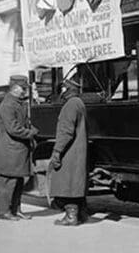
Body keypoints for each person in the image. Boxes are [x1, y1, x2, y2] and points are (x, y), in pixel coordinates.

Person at [0, 75, 39, 221]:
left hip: (16, 149)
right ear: (15, 88)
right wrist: (30, 133)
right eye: (23, 89)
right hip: (10, 150)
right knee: (9, 182)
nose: (25, 92)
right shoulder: (8, 105)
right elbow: (13, 129)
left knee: (17, 182)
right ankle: (4, 211)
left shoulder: (17, 103)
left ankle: (15, 210)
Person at [49, 76, 88, 226]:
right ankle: (81, 214)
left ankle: (71, 217)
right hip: (77, 151)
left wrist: (57, 151)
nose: (60, 91)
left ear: (66, 90)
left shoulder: (70, 105)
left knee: (67, 182)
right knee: (75, 182)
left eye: (62, 88)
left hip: (69, 152)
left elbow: (66, 132)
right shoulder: (79, 103)